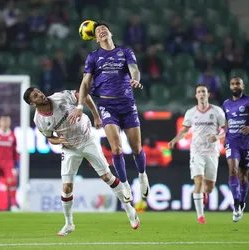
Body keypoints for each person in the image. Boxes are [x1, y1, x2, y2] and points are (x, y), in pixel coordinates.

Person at [23, 87, 140, 236]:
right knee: (66, 188)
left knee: (106, 177)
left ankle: (129, 210)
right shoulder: (38, 120)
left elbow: (83, 95)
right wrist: (57, 140)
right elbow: (49, 137)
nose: (40, 94)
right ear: (32, 103)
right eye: (35, 96)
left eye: (38, 92)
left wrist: (96, 116)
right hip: (69, 148)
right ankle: (69, 224)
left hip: (87, 139)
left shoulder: (60, 97)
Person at [68, 22, 150, 202]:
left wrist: (135, 80)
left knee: (136, 148)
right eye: (98, 31)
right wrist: (81, 106)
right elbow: (85, 83)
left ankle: (143, 176)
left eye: (104, 29)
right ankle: (126, 184)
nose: (102, 31)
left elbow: (134, 70)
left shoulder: (125, 52)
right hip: (107, 106)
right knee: (116, 147)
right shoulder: (93, 57)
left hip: (128, 104)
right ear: (96, 38)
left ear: (110, 33)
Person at [168, 84, 226, 224]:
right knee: (198, 180)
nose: (201, 94)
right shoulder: (191, 112)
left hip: (212, 151)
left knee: (210, 187)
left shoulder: (217, 111)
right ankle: (200, 216)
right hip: (197, 151)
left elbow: (225, 130)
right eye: (199, 92)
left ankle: (205, 194)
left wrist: (217, 137)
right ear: (196, 95)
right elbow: (184, 131)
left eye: (203, 92)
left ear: (208, 94)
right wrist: (174, 140)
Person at [222, 77, 249, 222]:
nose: (235, 86)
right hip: (232, 142)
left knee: (243, 176)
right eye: (233, 84)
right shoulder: (226, 104)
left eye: (238, 83)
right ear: (230, 86)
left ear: (243, 86)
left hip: (246, 142)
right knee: (233, 169)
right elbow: (226, 122)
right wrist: (225, 136)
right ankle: (235, 205)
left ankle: (241, 202)